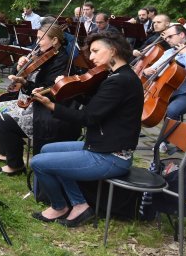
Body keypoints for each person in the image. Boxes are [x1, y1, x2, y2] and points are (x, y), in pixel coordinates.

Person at [29, 31, 143, 226]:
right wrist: (63, 92)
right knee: (48, 150)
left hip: (110, 156)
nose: (91, 57)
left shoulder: (120, 81)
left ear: (113, 51)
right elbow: (96, 105)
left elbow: (88, 117)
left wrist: (51, 106)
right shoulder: (119, 76)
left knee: (38, 162)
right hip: (100, 145)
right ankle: (80, 205)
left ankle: (59, 206)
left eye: (95, 51)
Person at [0, 23, 79, 176]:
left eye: (40, 38)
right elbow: (21, 70)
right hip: (28, 99)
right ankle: (6, 153)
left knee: (4, 120)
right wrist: (20, 65)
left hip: (43, 108)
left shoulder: (61, 60)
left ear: (55, 40)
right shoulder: (41, 52)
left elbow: (45, 90)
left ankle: (15, 165)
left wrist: (25, 83)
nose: (37, 43)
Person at [143, 24, 186, 152]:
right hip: (170, 90)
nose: (167, 40)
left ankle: (164, 141)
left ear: (181, 35)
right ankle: (177, 141)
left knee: (172, 110)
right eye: (167, 38)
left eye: (170, 36)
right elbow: (158, 69)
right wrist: (149, 71)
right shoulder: (169, 52)